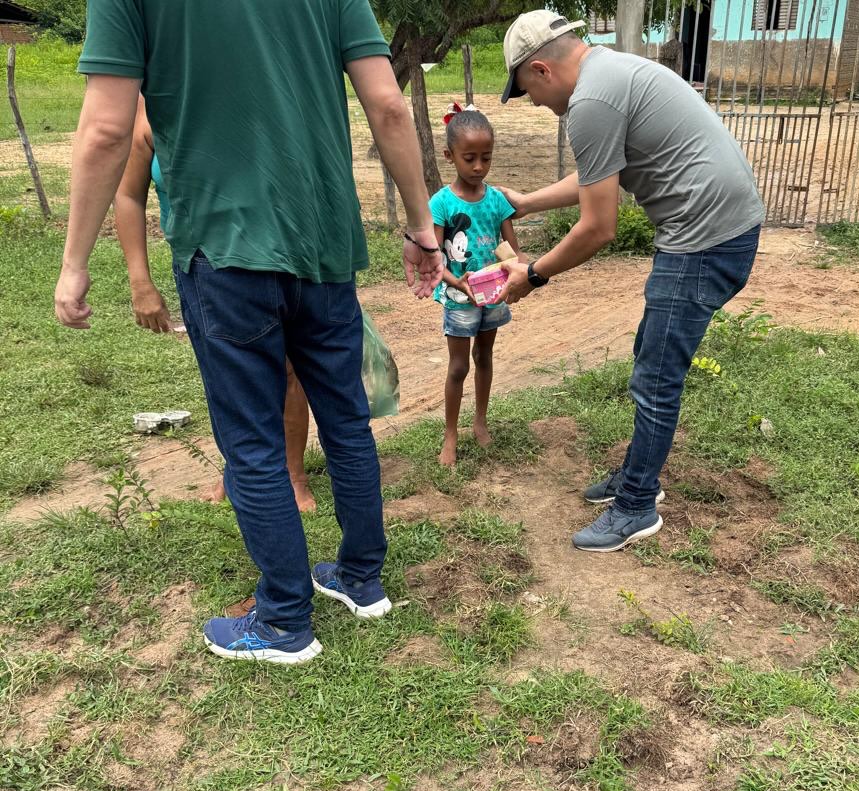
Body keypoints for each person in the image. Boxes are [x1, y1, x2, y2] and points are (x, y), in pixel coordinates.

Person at [55, 0, 443, 666]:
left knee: (253, 440)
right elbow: (388, 106)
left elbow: (105, 130)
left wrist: (75, 263)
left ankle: (285, 621)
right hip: (324, 240)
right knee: (346, 419)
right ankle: (360, 578)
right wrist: (420, 225)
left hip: (224, 247)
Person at [496, 10, 764, 553]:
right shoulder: (610, 73)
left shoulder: (591, 102)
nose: (538, 104)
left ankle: (637, 504)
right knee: (652, 355)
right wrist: (528, 203)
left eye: (527, 92)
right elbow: (599, 175)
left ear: (542, 70)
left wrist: (533, 274)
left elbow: (599, 227)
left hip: (704, 239)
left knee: (656, 377)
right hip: (718, 227)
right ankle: (636, 475)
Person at [114, 96, 317, 513]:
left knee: (288, 371)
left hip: (270, 255)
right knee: (225, 379)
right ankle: (238, 472)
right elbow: (128, 195)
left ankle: (294, 475)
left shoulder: (235, 86)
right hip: (199, 268)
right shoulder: (144, 108)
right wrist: (141, 282)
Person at [430, 104, 521, 467]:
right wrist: (458, 280)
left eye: (486, 158)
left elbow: (513, 250)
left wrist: (516, 273)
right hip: (458, 297)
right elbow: (435, 258)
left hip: (494, 295)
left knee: (484, 356)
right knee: (458, 366)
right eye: (470, 158)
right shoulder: (441, 203)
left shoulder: (496, 200)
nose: (479, 167)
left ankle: (479, 421)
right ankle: (450, 434)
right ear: (450, 156)